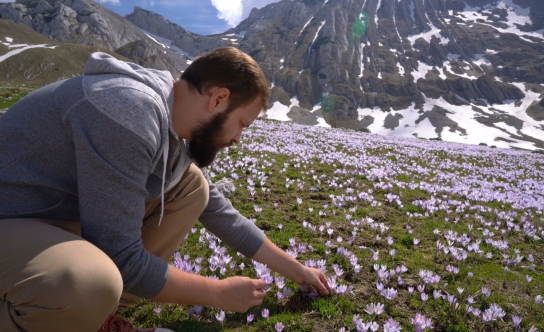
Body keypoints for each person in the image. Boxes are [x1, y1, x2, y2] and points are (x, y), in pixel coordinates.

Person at [0, 47, 330, 332]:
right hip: (10, 218)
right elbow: (121, 257)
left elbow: (220, 214)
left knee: (193, 188)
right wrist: (217, 294)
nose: (237, 139)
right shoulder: (130, 110)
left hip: (46, 220)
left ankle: (100, 318)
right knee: (89, 283)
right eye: (242, 124)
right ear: (218, 98)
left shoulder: (174, 135)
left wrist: (297, 270)